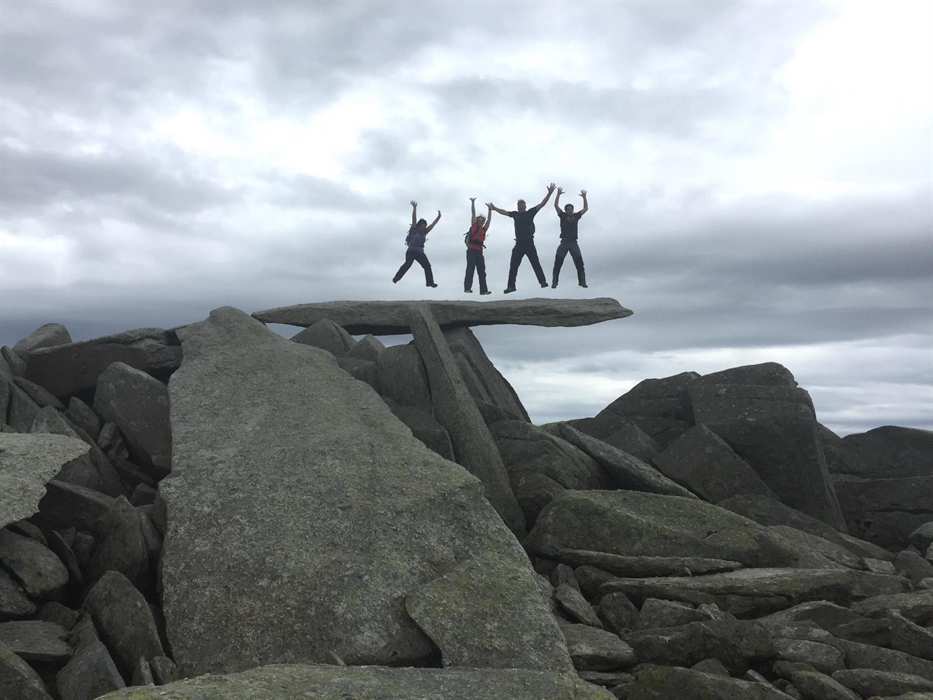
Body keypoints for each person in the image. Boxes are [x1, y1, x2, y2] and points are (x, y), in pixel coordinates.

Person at [490, 183, 556, 294]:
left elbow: (542, 204)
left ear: (525, 206)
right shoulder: (515, 214)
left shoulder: (530, 213)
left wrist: (549, 193)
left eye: (521, 205)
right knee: (513, 266)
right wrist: (494, 208)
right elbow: (504, 212)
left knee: (535, 263)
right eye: (518, 206)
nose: (520, 207)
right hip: (519, 244)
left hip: (529, 242)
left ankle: (542, 281)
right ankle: (511, 286)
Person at [393, 201, 440, 287]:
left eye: (425, 226)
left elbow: (433, 224)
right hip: (411, 251)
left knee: (427, 266)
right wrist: (414, 208)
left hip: (420, 252)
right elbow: (414, 218)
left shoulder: (425, 232)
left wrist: (438, 217)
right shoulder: (414, 229)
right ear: (419, 226)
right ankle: (396, 278)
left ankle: (430, 282)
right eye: (422, 226)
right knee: (408, 264)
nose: (424, 228)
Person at [551, 188, 588, 289]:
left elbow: (585, 209)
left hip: (573, 243)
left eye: (571, 209)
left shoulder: (576, 216)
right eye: (568, 209)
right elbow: (555, 206)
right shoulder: (562, 215)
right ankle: (554, 282)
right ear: (566, 210)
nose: (569, 211)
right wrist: (558, 195)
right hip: (564, 242)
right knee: (558, 263)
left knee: (579, 263)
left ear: (573, 210)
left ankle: (582, 282)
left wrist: (584, 198)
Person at [464, 198, 493, 295]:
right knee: (470, 269)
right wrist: (472, 202)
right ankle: (467, 288)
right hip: (471, 250)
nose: (480, 222)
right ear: (477, 221)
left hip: (479, 252)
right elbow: (473, 213)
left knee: (482, 271)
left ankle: (483, 290)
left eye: (482, 221)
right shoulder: (474, 227)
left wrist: (490, 210)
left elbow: (489, 220)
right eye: (479, 220)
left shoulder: (484, 230)